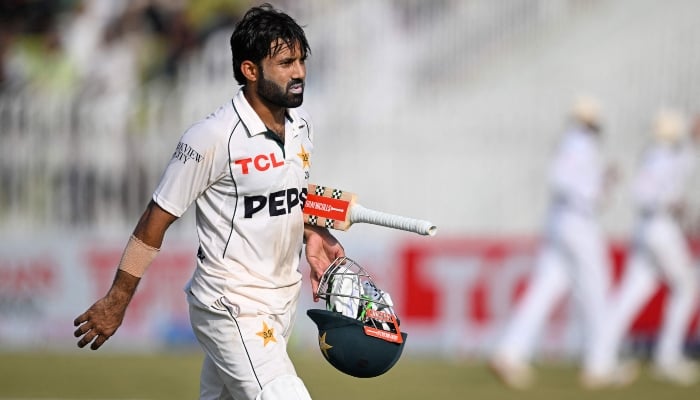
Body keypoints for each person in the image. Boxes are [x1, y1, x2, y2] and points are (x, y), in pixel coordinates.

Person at [73, 4, 345, 400]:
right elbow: (155, 218)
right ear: (250, 70)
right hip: (230, 303)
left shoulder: (301, 128)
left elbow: (286, 197)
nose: (299, 72)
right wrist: (117, 300)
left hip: (279, 302)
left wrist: (315, 232)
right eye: (286, 62)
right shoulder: (212, 137)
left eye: (301, 60)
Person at [489, 96, 631, 389]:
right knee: (596, 290)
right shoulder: (582, 144)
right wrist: (595, 190)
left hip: (559, 222)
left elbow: (565, 179)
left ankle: (509, 352)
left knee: (546, 287)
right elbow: (567, 181)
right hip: (579, 223)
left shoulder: (570, 142)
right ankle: (600, 364)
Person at [595, 109, 699, 386]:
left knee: (630, 294)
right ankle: (667, 357)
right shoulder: (665, 157)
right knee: (686, 287)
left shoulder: (657, 154)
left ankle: (600, 359)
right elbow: (648, 194)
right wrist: (672, 204)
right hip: (660, 228)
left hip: (646, 228)